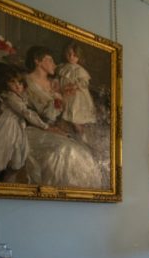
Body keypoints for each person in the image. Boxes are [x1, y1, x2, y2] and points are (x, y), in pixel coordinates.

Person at [23, 46, 105, 189]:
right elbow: (43, 113)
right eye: (50, 60)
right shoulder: (27, 82)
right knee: (64, 150)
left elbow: (63, 112)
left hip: (55, 127)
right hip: (36, 128)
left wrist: (65, 99)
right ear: (38, 61)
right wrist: (60, 100)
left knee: (82, 152)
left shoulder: (54, 83)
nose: (55, 64)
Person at [56, 41, 97, 142]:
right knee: (64, 118)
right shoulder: (62, 67)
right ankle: (66, 137)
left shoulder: (79, 70)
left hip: (76, 97)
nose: (71, 57)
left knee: (75, 118)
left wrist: (75, 85)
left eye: (74, 55)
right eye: (69, 54)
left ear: (78, 57)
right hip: (64, 94)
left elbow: (84, 83)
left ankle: (82, 137)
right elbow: (58, 78)